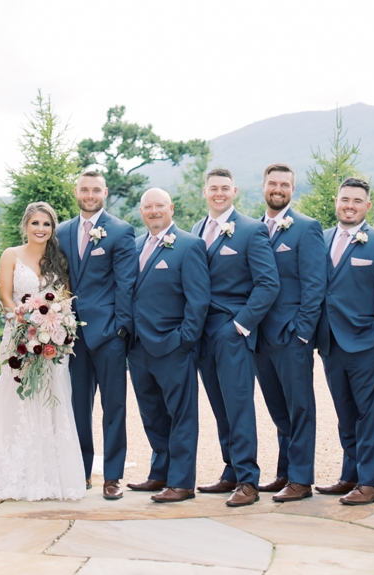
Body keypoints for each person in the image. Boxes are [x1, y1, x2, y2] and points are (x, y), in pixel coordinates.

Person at [0, 201, 87, 501]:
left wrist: (53, 322)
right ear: (26, 225)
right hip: (20, 332)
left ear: (52, 228)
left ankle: (49, 475)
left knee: (51, 397)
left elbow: (65, 297)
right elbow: (4, 293)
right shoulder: (12, 255)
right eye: (35, 223)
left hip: (52, 337)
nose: (40, 229)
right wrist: (24, 316)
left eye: (46, 224)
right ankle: (15, 473)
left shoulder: (58, 260)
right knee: (18, 395)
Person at [191, 167, 280, 508]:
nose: (219, 193)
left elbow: (268, 283)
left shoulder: (251, 230)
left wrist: (240, 325)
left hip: (232, 331)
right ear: (205, 191)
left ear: (235, 191)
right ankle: (230, 469)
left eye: (225, 188)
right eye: (213, 188)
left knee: (239, 404)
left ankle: (248, 480)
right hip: (202, 333)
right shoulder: (197, 230)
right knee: (219, 405)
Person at [313, 177, 374, 505]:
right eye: (344, 199)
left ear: (368, 206)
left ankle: (369, 483)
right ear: (337, 202)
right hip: (330, 343)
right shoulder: (320, 239)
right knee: (345, 413)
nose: (349, 205)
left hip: (367, 344)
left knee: (370, 415)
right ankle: (349, 476)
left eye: (356, 201)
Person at [54, 167, 138, 499]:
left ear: (105, 193)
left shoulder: (120, 231)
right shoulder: (61, 232)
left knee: (114, 407)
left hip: (109, 335)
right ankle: (81, 472)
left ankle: (112, 477)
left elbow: (126, 284)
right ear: (77, 192)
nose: (90, 195)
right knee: (77, 408)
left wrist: (121, 328)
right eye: (85, 189)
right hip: (71, 336)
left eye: (96, 190)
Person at [126, 188, 211, 503]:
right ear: (141, 211)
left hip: (173, 347)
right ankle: (159, 473)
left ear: (170, 208)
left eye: (159, 205)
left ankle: (181, 482)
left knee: (181, 416)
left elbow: (198, 300)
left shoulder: (190, 245)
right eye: (147, 206)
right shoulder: (133, 247)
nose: (153, 211)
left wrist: (184, 340)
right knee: (152, 416)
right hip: (138, 349)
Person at [253, 163, 327, 503]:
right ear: (263, 187)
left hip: (291, 336)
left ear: (292, 190)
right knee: (278, 410)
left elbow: (315, 285)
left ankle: (300, 479)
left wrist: (302, 333)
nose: (278, 188)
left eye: (284, 184)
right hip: (259, 338)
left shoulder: (307, 229)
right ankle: (284, 472)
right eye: (273, 183)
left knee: (300, 409)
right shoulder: (252, 229)